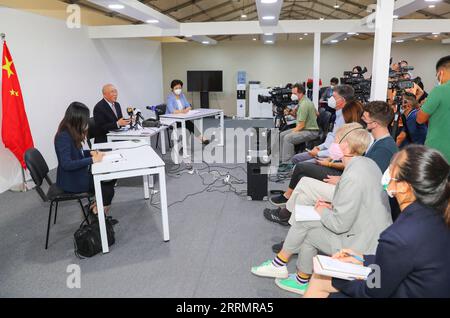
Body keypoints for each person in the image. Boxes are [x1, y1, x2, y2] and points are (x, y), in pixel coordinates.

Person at [252, 123, 392, 295]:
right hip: (369, 235)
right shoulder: (366, 163)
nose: (333, 144)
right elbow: (357, 203)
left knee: (308, 230)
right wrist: (330, 207)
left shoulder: (353, 175)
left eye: (337, 141)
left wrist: (322, 211)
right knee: (306, 223)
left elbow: (340, 224)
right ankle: (293, 273)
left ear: (346, 146)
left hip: (361, 245)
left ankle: (286, 269)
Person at [304, 145, 450, 298]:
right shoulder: (438, 213)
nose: (387, 172)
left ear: (403, 186)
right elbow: (407, 260)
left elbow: (373, 291)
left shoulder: (399, 235)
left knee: (320, 279)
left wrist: (338, 275)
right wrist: (363, 259)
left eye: (392, 168)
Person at [266, 101, 398, 229]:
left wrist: (341, 181)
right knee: (303, 193)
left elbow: (370, 182)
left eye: (365, 117)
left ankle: (287, 218)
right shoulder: (379, 142)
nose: (362, 117)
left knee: (305, 183)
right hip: (350, 185)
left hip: (355, 194)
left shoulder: (384, 148)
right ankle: (294, 230)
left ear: (374, 123)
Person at [55, 102, 116, 220]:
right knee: (108, 190)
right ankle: (97, 215)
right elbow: (66, 164)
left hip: (77, 173)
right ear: (76, 119)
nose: (86, 122)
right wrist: (92, 159)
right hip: (71, 180)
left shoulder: (71, 132)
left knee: (111, 178)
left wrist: (92, 153)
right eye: (85, 119)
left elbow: (78, 154)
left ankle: (96, 210)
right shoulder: (63, 136)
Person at [291, 85, 355, 165]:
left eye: (334, 97)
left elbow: (338, 150)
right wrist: (319, 147)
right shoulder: (338, 114)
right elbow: (332, 137)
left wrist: (318, 153)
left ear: (342, 100)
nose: (330, 99)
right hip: (326, 150)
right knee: (296, 158)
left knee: (301, 166)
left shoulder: (345, 118)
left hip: (332, 157)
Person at [417, 55, 450, 162]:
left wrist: (423, 105)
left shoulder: (439, 90)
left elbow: (420, 119)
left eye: (437, 75)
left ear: (441, 72)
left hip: (440, 150)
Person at [277, 83, 319, 163]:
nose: (292, 95)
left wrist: (291, 133)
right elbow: (317, 113)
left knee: (287, 138)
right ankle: (281, 160)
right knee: (282, 135)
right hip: (305, 128)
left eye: (294, 94)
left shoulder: (304, 104)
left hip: (310, 131)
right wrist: (290, 112)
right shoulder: (303, 101)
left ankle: (287, 164)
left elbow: (301, 125)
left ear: (301, 93)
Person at [166, 79, 209, 144]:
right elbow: (172, 111)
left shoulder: (182, 95)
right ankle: (200, 138)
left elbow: (188, 106)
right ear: (172, 88)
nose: (178, 89)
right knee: (189, 124)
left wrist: (187, 109)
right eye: (176, 88)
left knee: (189, 124)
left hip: (182, 118)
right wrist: (183, 111)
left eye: (180, 88)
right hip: (172, 120)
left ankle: (189, 142)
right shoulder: (170, 97)